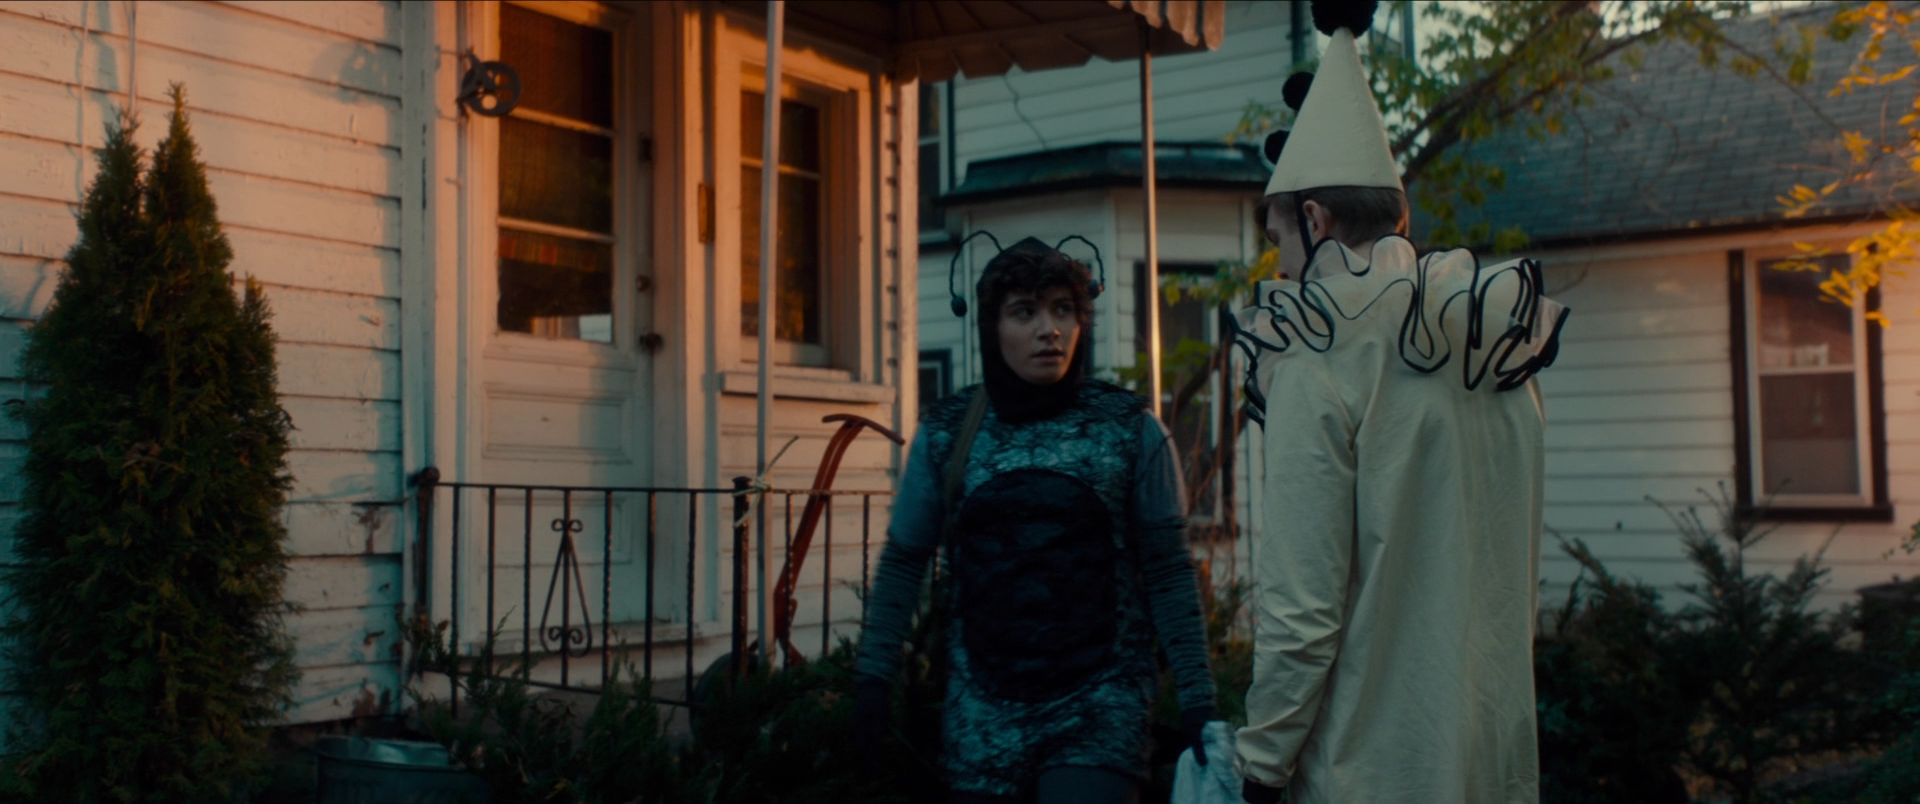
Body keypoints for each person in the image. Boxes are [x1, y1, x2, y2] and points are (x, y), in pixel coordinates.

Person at [1228, 3, 1569, 803]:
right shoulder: (1491, 343)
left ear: (1314, 219)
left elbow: (1302, 611)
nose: (1279, 272)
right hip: (1492, 758)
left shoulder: (1321, 356)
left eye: (1278, 243)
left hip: (1369, 768)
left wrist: (1261, 765)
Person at [855, 236, 1218, 803]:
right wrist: (873, 677)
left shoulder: (1129, 429)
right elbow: (905, 561)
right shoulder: (948, 433)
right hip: (980, 714)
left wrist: (1198, 699)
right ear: (992, 327)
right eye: (1025, 312)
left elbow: (1169, 571)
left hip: (1099, 709)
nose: (1049, 329)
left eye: (1063, 309)